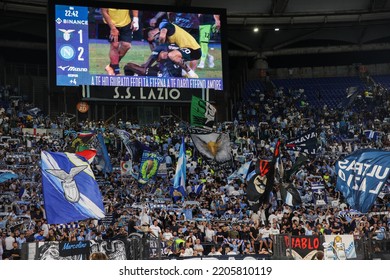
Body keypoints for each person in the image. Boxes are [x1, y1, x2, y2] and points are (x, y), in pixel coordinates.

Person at [101, 8, 139, 75]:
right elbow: (104, 12)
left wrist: (135, 19)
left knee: (127, 45)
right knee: (115, 45)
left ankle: (111, 66)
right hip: (110, 23)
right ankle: (116, 71)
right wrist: (113, 28)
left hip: (126, 23)